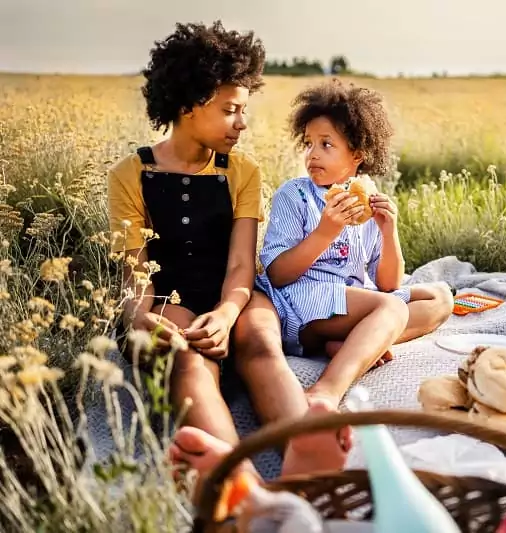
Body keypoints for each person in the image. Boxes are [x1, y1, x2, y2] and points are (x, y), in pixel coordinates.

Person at [107, 21, 341, 489]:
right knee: (190, 359)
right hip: (169, 294)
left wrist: (228, 311)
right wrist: (140, 316)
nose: (242, 123)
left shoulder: (242, 171)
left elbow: (240, 266)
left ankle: (311, 460)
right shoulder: (129, 174)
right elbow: (137, 275)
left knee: (259, 340)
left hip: (233, 291)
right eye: (231, 110)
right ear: (189, 105)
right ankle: (240, 485)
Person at [254, 78, 454, 414]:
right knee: (391, 310)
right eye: (308, 144)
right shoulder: (296, 195)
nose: (312, 154)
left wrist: (389, 232)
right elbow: (277, 274)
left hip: (352, 302)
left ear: (357, 155)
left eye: (326, 145)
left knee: (441, 297)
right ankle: (327, 390)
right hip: (303, 301)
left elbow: (389, 284)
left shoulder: (366, 201)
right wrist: (324, 232)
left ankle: (353, 342)